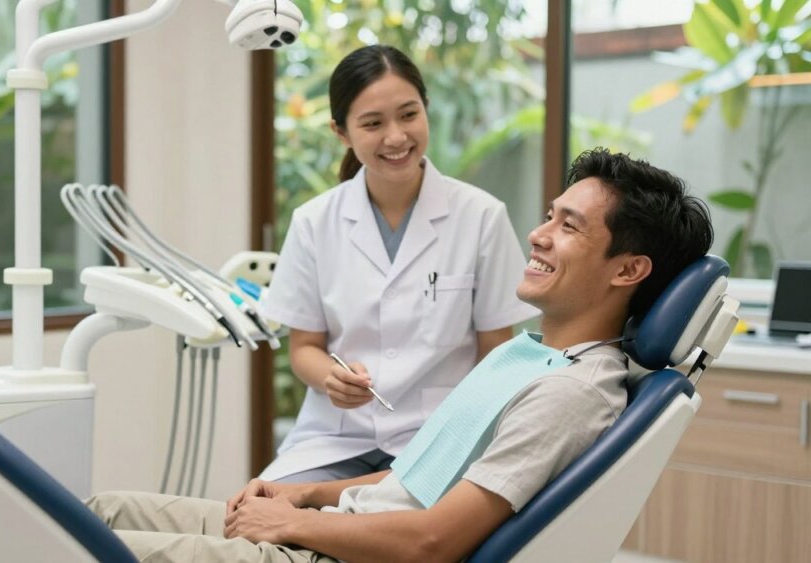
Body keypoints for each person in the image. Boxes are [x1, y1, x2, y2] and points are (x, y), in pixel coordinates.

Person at [85, 147, 715, 562]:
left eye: (569, 226)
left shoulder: (571, 393)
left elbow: (433, 542)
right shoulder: (527, 355)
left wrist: (293, 528)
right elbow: (416, 478)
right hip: (336, 531)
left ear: (629, 268)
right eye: (550, 215)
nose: (538, 233)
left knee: (68, 546)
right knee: (96, 511)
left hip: (333, 556)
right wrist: (303, 498)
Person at [257, 44, 538, 484]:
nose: (395, 137)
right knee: (264, 512)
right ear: (342, 132)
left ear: (426, 110)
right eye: (372, 123)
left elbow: (495, 354)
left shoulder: (481, 216)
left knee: (371, 525)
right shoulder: (314, 222)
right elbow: (304, 348)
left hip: (439, 436)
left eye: (409, 115)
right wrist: (332, 377)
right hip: (336, 437)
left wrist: (476, 435)